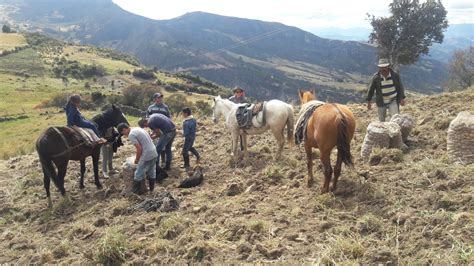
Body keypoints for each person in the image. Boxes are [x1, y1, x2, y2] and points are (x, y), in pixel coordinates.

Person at [117, 123, 158, 194]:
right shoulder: (137, 129)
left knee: (138, 174)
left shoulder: (131, 135)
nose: (124, 135)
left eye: (123, 133)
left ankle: (135, 194)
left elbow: (139, 149)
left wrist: (137, 160)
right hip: (154, 152)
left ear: (124, 129)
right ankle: (151, 191)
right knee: (151, 171)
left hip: (147, 154)